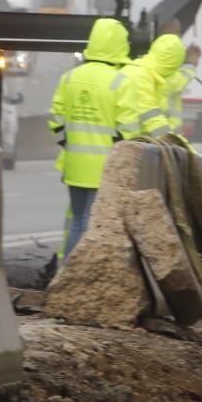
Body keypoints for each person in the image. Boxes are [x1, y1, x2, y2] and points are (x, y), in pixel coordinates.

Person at [47, 18, 130, 257]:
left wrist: (69, 143)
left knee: (78, 222)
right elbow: (129, 131)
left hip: (74, 166)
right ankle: (77, 279)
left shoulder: (69, 78)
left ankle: (67, 274)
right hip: (105, 168)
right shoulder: (120, 82)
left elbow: (56, 120)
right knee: (91, 224)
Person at [114, 33, 187, 140]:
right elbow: (153, 120)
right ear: (173, 64)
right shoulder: (140, 76)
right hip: (124, 147)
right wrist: (179, 146)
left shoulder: (144, 72)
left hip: (126, 145)